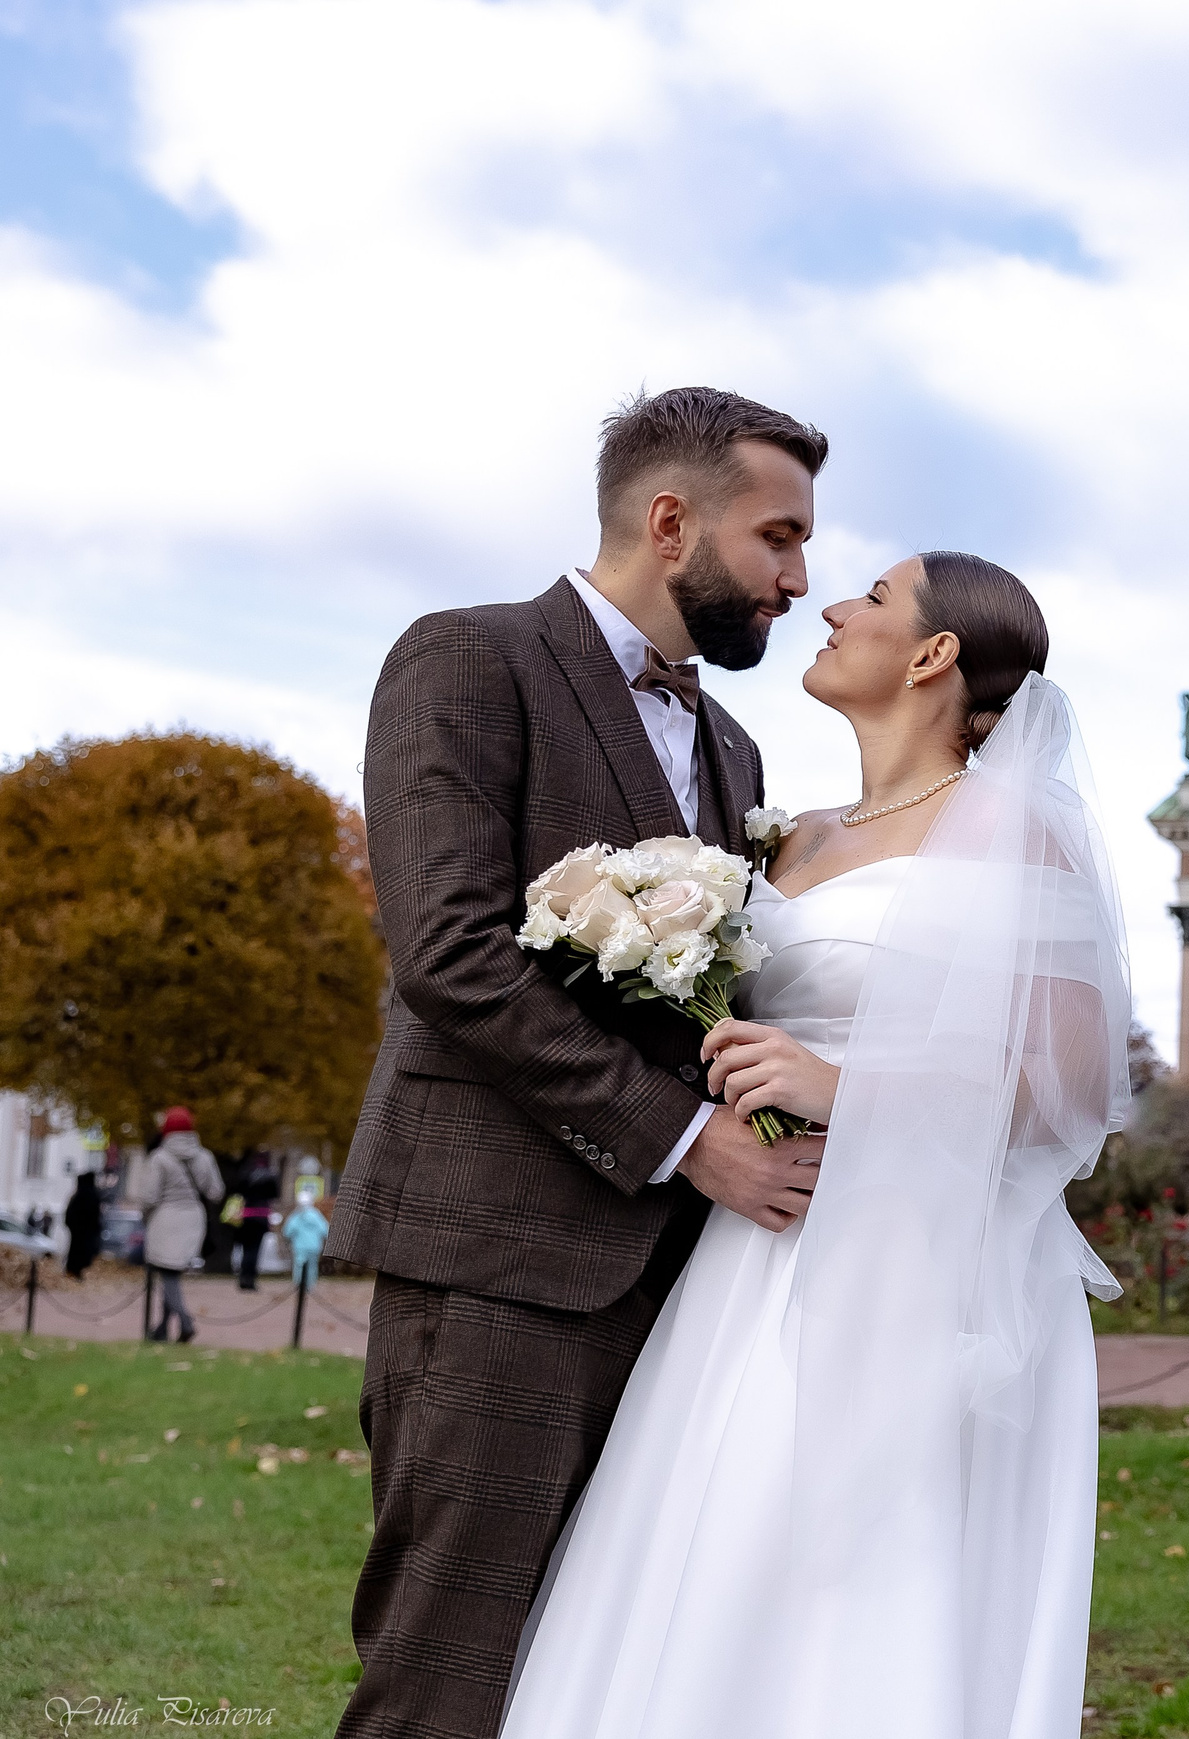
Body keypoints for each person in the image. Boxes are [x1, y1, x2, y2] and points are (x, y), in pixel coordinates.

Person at [500, 553, 1128, 1739]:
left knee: (858, 1561)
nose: (834, 606)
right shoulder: (786, 835)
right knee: (720, 1537)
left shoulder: (1016, 832)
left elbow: (1076, 1087)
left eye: (875, 600)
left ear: (934, 654)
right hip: (754, 1244)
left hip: (920, 1257)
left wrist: (846, 1083)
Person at [325, 388, 833, 1739]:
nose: (799, 578)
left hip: (685, 1289)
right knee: (451, 1662)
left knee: (605, 1670)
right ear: (671, 522)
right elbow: (452, 955)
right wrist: (686, 1138)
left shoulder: (733, 745)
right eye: (777, 536)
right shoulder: (466, 660)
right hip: (501, 1253)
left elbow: (718, 993)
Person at [136, 1108, 222, 1343]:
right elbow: (216, 1192)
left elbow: (149, 1197)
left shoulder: (160, 1158)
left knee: (167, 1272)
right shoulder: (204, 1157)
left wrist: (145, 1216)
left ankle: (185, 1322)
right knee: (172, 1271)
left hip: (165, 1218)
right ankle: (162, 1329)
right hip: (194, 1217)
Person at [233, 1151, 280, 1290]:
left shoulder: (246, 1174)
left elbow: (239, 1192)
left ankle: (243, 1277)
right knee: (254, 1250)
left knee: (246, 1249)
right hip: (261, 1216)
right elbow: (275, 1195)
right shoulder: (270, 1176)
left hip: (246, 1216)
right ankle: (250, 1279)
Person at [283, 1189, 330, 1292]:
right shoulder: (316, 1215)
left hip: (299, 1246)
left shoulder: (296, 1215)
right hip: (314, 1246)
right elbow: (325, 1230)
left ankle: (299, 1284)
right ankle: (310, 1285)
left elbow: (287, 1231)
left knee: (299, 1265)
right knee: (312, 1266)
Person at [63, 1171, 102, 1280]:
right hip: (84, 1232)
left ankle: (74, 1272)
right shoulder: (90, 1195)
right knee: (81, 1253)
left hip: (79, 1232)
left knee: (77, 1253)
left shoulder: (79, 1195)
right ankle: (75, 1272)